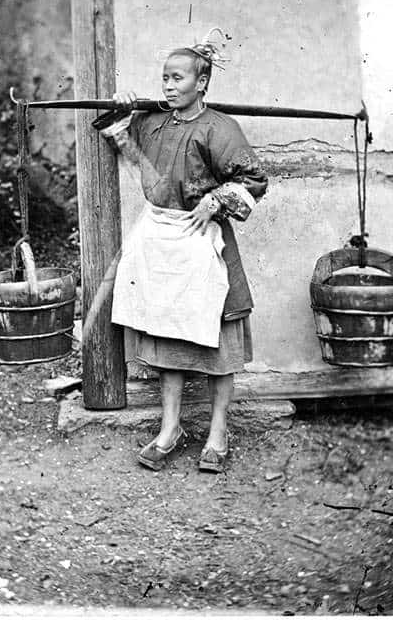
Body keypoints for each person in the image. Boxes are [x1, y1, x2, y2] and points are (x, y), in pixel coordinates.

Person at [101, 31, 268, 473]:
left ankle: (217, 431)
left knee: (218, 343)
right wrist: (123, 107)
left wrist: (215, 201)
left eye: (178, 79)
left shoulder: (220, 128)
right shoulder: (153, 122)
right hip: (161, 239)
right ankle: (170, 429)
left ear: (203, 82)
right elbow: (125, 142)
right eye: (164, 79)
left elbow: (254, 181)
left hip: (202, 241)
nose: (169, 86)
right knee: (169, 336)